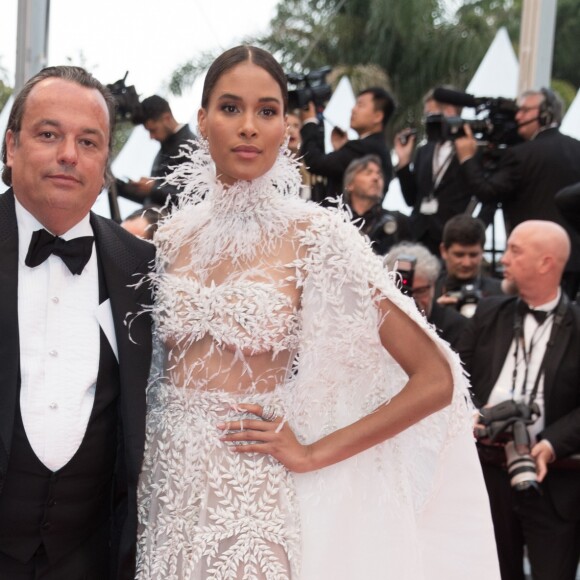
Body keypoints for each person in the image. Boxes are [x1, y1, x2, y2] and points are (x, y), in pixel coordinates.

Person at [136, 45, 500, 580]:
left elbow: (434, 379)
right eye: (231, 108)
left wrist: (310, 452)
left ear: (286, 126)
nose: (249, 127)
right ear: (203, 119)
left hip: (254, 495)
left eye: (266, 111)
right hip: (163, 488)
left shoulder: (313, 234)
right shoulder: (170, 238)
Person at [0, 66, 154, 578]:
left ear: (105, 161)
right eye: (49, 134)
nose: (69, 154)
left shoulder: (141, 266)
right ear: (11, 146)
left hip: (90, 558)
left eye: (89, 142)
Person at [458, 220, 580, 580]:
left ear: (545, 263)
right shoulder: (488, 312)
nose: (504, 260)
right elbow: (453, 377)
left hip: (554, 480)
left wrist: (551, 445)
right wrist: (470, 416)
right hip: (487, 475)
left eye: (515, 250)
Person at [455, 88, 580, 299]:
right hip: (574, 259)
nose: (517, 116)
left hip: (534, 260)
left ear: (546, 114)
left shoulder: (519, 155)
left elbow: (487, 192)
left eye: (524, 110)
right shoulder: (577, 148)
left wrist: (468, 159)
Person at [394, 87, 480, 255]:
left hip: (452, 237)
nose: (427, 121)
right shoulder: (424, 151)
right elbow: (411, 199)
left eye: (430, 115)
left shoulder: (473, 149)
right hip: (418, 235)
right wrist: (403, 163)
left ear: (448, 112)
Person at [299, 86, 395, 202]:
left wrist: (309, 122)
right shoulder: (376, 146)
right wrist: (341, 150)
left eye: (360, 105)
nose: (353, 110)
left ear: (378, 116)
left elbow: (315, 162)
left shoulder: (363, 148)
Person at [115, 95, 197, 206]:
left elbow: (194, 197)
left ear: (167, 118)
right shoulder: (167, 147)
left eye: (153, 130)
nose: (151, 137)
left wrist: (153, 189)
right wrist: (124, 188)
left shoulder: (191, 148)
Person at [385, 242, 467, 350]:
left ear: (433, 286)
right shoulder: (380, 325)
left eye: (420, 291)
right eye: (403, 291)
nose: (411, 299)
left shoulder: (456, 327)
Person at [435, 214, 503, 316]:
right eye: (459, 255)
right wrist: (435, 314)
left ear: (482, 252)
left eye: (473, 255)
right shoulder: (428, 294)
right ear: (444, 251)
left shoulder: (501, 295)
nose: (466, 263)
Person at [344, 154, 411, 255]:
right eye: (368, 173)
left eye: (379, 174)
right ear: (350, 185)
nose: (376, 178)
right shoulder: (336, 221)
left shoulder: (399, 222)